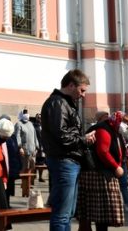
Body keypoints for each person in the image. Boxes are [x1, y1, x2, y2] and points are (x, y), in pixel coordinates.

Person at [40, 69, 96, 231]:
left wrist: (83, 138)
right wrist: (84, 139)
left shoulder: (65, 103)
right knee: (62, 213)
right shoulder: (57, 103)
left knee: (68, 213)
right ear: (71, 85)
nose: (83, 95)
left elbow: (65, 133)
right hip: (64, 161)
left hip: (69, 160)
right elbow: (62, 136)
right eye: (82, 90)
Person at [78, 110, 126, 231]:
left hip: (101, 173)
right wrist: (116, 166)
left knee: (98, 214)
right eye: (122, 122)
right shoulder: (103, 130)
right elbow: (103, 151)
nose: (123, 125)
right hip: (97, 174)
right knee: (100, 214)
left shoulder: (113, 129)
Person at [14, 109, 38, 187]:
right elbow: (17, 136)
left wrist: (37, 147)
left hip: (32, 149)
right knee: (25, 167)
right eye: (25, 113)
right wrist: (19, 147)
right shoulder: (19, 124)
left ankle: (29, 182)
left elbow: (35, 136)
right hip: (24, 149)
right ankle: (24, 184)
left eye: (27, 113)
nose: (26, 115)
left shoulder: (31, 123)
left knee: (32, 166)